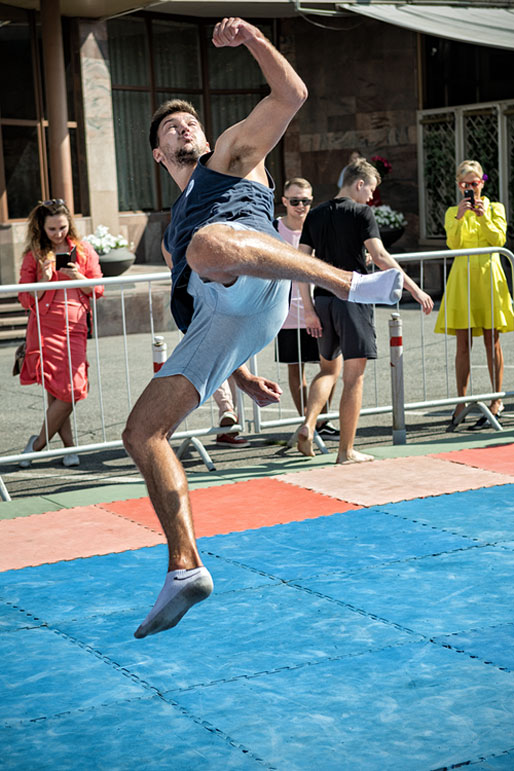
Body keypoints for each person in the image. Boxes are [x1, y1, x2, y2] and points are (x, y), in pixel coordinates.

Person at [122, 17, 404, 640]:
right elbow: (200, 301)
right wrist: (243, 376)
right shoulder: (173, 228)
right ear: (158, 153)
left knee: (205, 245)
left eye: (190, 120)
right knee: (141, 431)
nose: (185, 127)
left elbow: (292, 96)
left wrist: (250, 39)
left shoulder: (229, 157)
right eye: (172, 127)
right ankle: (184, 567)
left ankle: (348, 282)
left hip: (256, 273)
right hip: (225, 317)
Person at [297, 159, 434, 463]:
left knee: (327, 370)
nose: (372, 198)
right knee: (353, 378)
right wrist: (414, 288)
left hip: (322, 300)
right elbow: (382, 257)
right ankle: (345, 451)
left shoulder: (315, 214)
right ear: (359, 184)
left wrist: (308, 309)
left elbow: (302, 265)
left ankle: (307, 425)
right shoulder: (362, 212)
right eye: (370, 189)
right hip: (353, 299)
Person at [17, 198, 104, 468]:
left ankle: (37, 444)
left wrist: (78, 276)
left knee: (73, 388)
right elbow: (24, 298)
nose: (58, 234)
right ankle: (69, 446)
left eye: (63, 227)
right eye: (52, 229)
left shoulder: (84, 250)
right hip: (44, 328)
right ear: (41, 228)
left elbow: (98, 289)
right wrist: (43, 280)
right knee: (57, 391)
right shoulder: (34, 254)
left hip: (75, 327)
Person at [434, 159, 514, 431]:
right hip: (463, 278)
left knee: (493, 341)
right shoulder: (452, 212)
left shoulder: (495, 208)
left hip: (489, 277)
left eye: (475, 183)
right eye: (465, 184)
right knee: (462, 342)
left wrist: (483, 216)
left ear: (483, 182)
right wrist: (459, 217)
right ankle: (461, 401)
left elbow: (499, 239)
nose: (471, 189)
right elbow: (453, 244)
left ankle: (496, 399)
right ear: (459, 186)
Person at [161, 241, 247, 447]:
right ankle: (227, 411)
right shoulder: (175, 236)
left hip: (226, 303)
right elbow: (176, 268)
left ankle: (228, 427)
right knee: (212, 360)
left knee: (233, 361)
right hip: (199, 307)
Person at [274, 177, 340, 436]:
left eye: (306, 201)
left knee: (330, 367)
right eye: (295, 201)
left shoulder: (319, 226)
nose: (300, 206)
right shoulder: (273, 228)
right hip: (286, 311)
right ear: (284, 202)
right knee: (296, 367)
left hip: (321, 307)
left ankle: (323, 420)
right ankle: (307, 423)